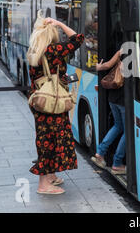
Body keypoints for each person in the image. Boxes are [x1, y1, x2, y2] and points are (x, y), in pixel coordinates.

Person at [26, 13, 84, 195]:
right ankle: (43, 185)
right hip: (52, 102)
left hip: (41, 100)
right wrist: (59, 23)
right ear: (52, 35)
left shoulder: (35, 51)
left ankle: (50, 176)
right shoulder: (54, 50)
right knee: (50, 141)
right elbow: (78, 38)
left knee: (48, 138)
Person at [91, 48, 126, 175]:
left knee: (118, 126)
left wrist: (99, 67)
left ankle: (100, 153)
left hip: (112, 97)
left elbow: (108, 65)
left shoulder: (122, 50)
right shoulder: (138, 51)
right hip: (124, 100)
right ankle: (117, 163)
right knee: (128, 131)